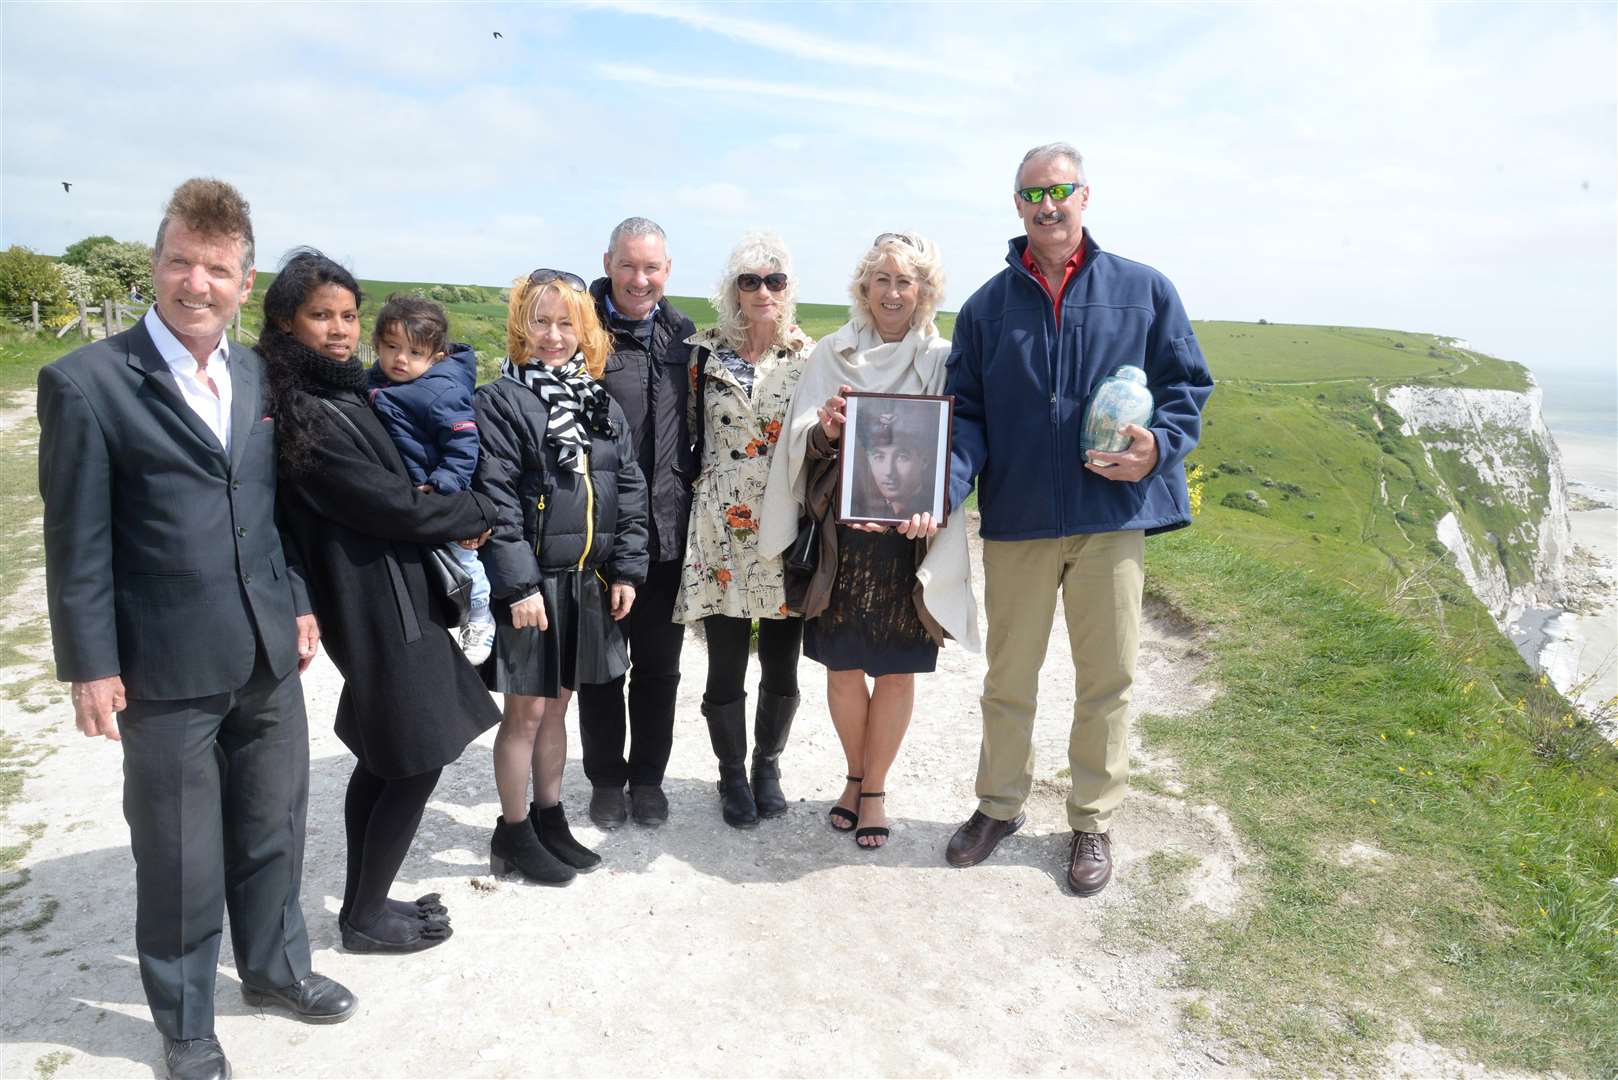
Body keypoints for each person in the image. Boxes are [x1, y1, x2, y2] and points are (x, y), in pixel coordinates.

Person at [36, 180, 354, 1080]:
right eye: (180, 261)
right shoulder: (86, 383)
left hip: (264, 650)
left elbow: (272, 508)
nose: (196, 283)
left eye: (216, 268)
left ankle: (276, 970)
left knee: (273, 827)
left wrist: (295, 597)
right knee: (178, 854)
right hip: (162, 663)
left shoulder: (257, 373)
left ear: (245, 280)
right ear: (156, 263)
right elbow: (78, 544)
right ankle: (184, 1020)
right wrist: (90, 666)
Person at [942, 142, 1213, 895]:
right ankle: (998, 807)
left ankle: (1091, 820)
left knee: (1108, 677)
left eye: (1060, 190)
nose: (1048, 205)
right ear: (1018, 206)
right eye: (1033, 194)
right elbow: (965, 416)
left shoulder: (1143, 290)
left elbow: (1188, 386)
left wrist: (1159, 447)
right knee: (1009, 677)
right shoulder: (988, 307)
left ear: (1086, 197)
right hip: (1020, 518)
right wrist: (942, 490)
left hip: (1111, 516)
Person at [266, 250, 503, 953]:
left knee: (383, 751)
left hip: (388, 587)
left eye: (347, 315)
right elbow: (390, 504)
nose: (339, 330)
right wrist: (474, 508)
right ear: (286, 321)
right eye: (320, 315)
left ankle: (365, 904)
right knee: (416, 753)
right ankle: (365, 917)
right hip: (368, 596)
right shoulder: (303, 409)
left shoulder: (342, 390)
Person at [761, 231, 979, 848]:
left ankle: (875, 788)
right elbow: (803, 438)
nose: (891, 292)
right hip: (843, 539)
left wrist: (929, 505)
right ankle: (853, 776)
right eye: (880, 280)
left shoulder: (941, 359)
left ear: (924, 291)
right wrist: (827, 428)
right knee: (842, 668)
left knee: (897, 672)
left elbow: (952, 441)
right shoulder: (831, 352)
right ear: (863, 288)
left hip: (907, 541)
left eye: (904, 281)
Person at [473, 269, 648, 884]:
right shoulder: (501, 400)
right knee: (524, 714)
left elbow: (629, 486)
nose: (553, 335)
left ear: (585, 329)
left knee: (559, 709)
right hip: (535, 587)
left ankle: (550, 817)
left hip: (585, 582)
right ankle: (513, 831)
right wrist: (517, 586)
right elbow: (495, 498)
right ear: (522, 325)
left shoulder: (597, 400)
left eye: (566, 322)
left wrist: (626, 567)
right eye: (540, 321)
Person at [675, 232, 814, 829]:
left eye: (774, 280)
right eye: (750, 280)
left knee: (783, 665)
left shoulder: (811, 357)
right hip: (719, 531)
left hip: (785, 527)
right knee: (726, 664)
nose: (763, 291)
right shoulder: (701, 355)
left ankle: (767, 766)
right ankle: (731, 773)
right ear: (733, 289)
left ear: (788, 290)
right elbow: (682, 438)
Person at [579, 218, 697, 828]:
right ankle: (604, 778)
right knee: (602, 668)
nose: (639, 279)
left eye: (651, 267)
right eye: (628, 265)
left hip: (667, 533)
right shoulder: (583, 333)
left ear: (667, 271)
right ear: (608, 262)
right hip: (597, 536)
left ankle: (648, 780)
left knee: (660, 668)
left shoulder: (684, 336)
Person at [365, 293, 498, 664]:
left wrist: (443, 485)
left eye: (414, 352)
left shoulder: (442, 391)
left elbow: (463, 443)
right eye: (391, 347)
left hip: (439, 493)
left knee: (462, 555)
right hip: (408, 496)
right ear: (376, 344)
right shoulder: (377, 383)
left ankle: (480, 613)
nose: (400, 359)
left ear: (436, 357)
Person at [849, 404, 939, 521]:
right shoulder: (866, 510)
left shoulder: (932, 510)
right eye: (879, 457)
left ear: (924, 461)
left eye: (902, 457)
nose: (889, 471)